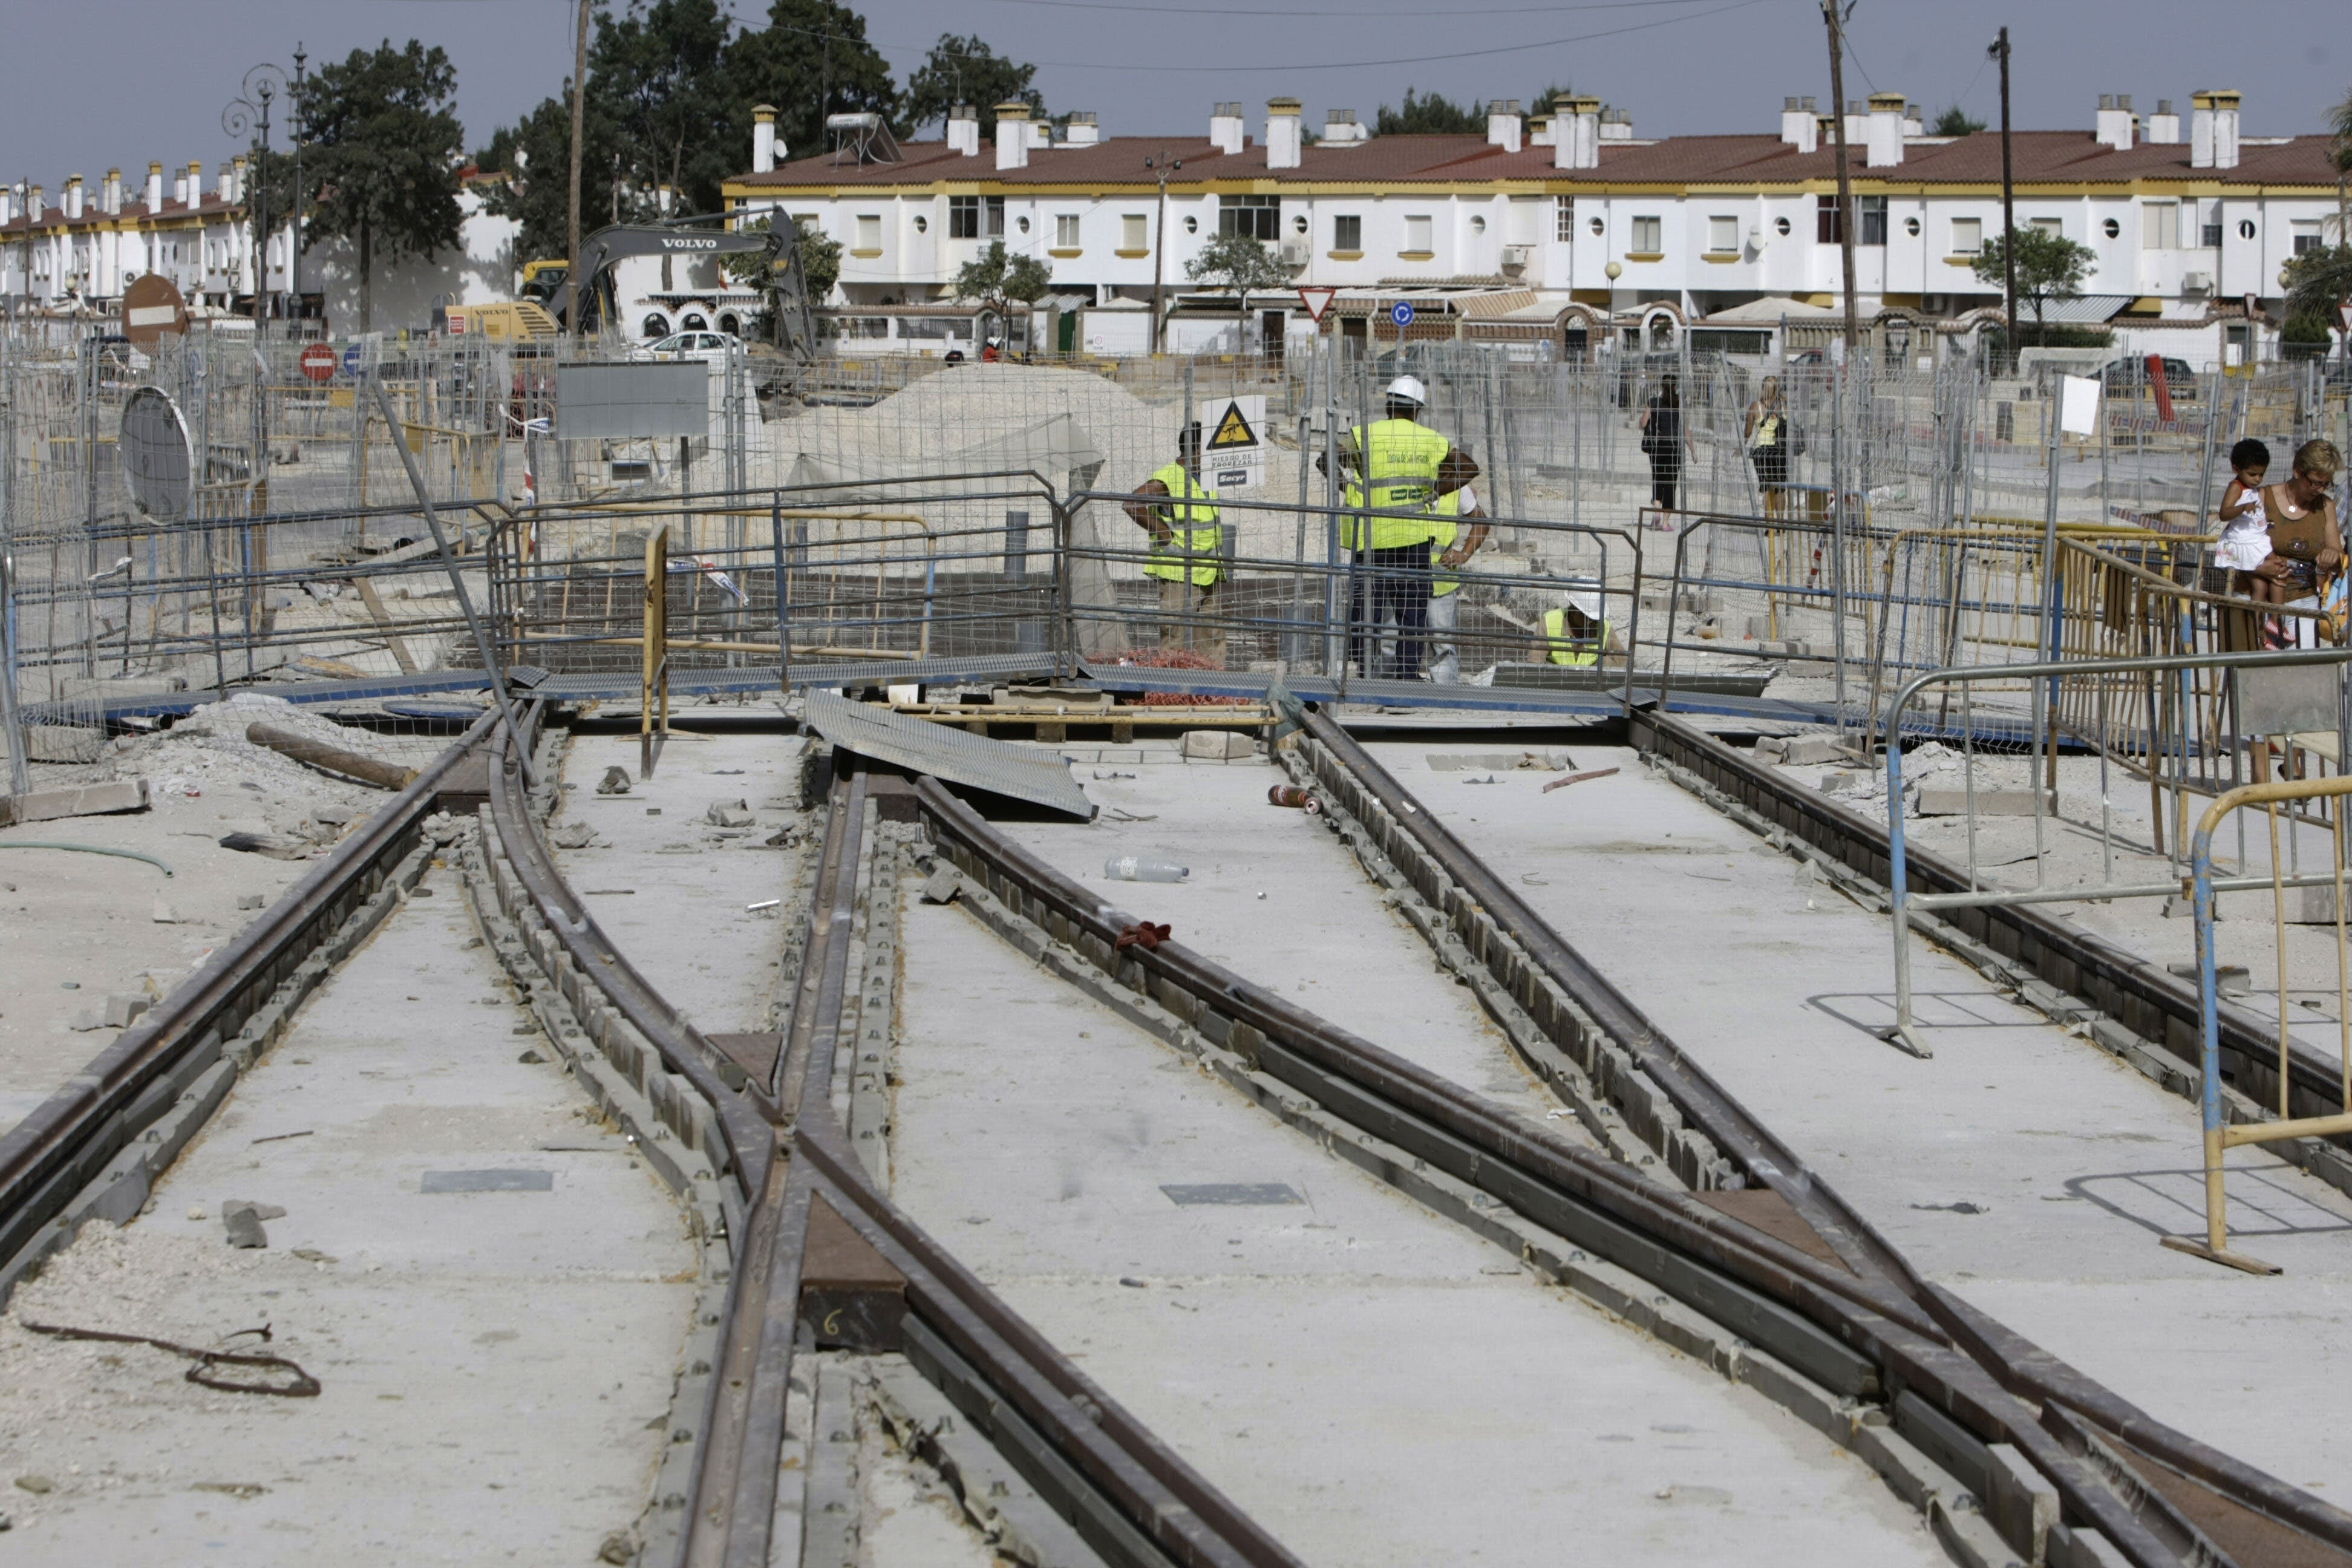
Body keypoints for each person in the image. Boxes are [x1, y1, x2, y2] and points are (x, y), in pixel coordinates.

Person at [1323, 374, 1475, 680]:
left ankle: (1365, 675)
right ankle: (1406, 678)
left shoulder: (1364, 435)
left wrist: (1352, 489)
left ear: (1388, 406)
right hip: (1414, 539)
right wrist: (1434, 492)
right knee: (1411, 614)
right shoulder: (1430, 439)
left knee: (1368, 610)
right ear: (1417, 410)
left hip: (1372, 537)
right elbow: (1469, 468)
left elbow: (1325, 460)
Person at [1123, 422, 1226, 664]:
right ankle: (1171, 693)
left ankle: (1212, 692)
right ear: (1194, 449)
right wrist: (1164, 533)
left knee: (1213, 639)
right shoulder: (1170, 477)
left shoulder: (1206, 478)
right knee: (1176, 640)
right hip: (1180, 573)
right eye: (1208, 448)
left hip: (1208, 572)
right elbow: (1132, 503)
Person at [2252, 439, 2346, 647]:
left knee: (2300, 673)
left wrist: (2332, 556)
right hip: (2258, 601)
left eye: (2326, 484)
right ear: (2297, 471)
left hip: (2303, 602)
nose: (2320, 490)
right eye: (2314, 482)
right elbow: (2230, 549)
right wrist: (2258, 566)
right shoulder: (2262, 499)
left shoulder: (2325, 507)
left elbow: (2340, 562)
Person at [1425, 452, 1489, 684]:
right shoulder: (1413, 483)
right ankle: (1389, 687)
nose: (1447, 476)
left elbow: (1481, 520)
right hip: (1404, 572)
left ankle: (1445, 690)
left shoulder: (1457, 490)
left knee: (1442, 641)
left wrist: (1464, 553)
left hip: (1440, 579)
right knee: (1392, 637)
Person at [2215, 438, 2279, 603]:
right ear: (2237, 469)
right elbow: (2224, 513)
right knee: (2260, 587)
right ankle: (2257, 621)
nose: (2258, 479)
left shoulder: (2253, 488)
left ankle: (2275, 619)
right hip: (2243, 542)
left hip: (2257, 539)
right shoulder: (2236, 487)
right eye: (2253, 474)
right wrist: (2243, 508)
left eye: (2261, 475)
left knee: (2277, 574)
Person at [1639, 373, 1690, 516]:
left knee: (1658, 477)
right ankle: (1666, 521)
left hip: (1658, 446)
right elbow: (1686, 430)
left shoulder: (1654, 402)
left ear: (1661, 386)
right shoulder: (1680, 404)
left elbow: (1643, 423)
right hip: (1675, 447)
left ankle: (1656, 513)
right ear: (1675, 387)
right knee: (1671, 482)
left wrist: (1641, 423)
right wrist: (1693, 450)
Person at [1530, 589, 1622, 667]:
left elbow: (1623, 662)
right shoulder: (1549, 622)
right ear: (1574, 610)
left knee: (1606, 663)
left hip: (1591, 681)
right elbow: (1535, 661)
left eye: (1596, 618)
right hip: (1558, 678)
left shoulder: (1604, 627)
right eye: (1589, 618)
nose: (1593, 622)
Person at [1744, 376, 1793, 520]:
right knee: (1780, 488)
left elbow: (1748, 432)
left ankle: (1768, 523)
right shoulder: (1783, 405)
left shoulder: (1755, 406)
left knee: (1765, 486)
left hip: (1761, 450)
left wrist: (1742, 445)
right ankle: (1780, 523)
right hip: (1779, 449)